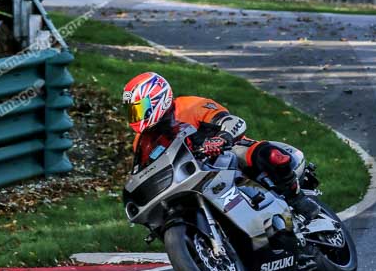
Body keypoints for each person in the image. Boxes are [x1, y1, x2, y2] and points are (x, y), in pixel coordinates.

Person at [122, 71, 319, 221]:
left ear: (158, 99)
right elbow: (143, 171)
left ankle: (296, 198)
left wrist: (221, 139)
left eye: (140, 109)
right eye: (132, 111)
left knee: (268, 154)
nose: (136, 116)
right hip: (188, 178)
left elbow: (233, 121)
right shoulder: (141, 140)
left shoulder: (190, 105)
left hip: (224, 153)